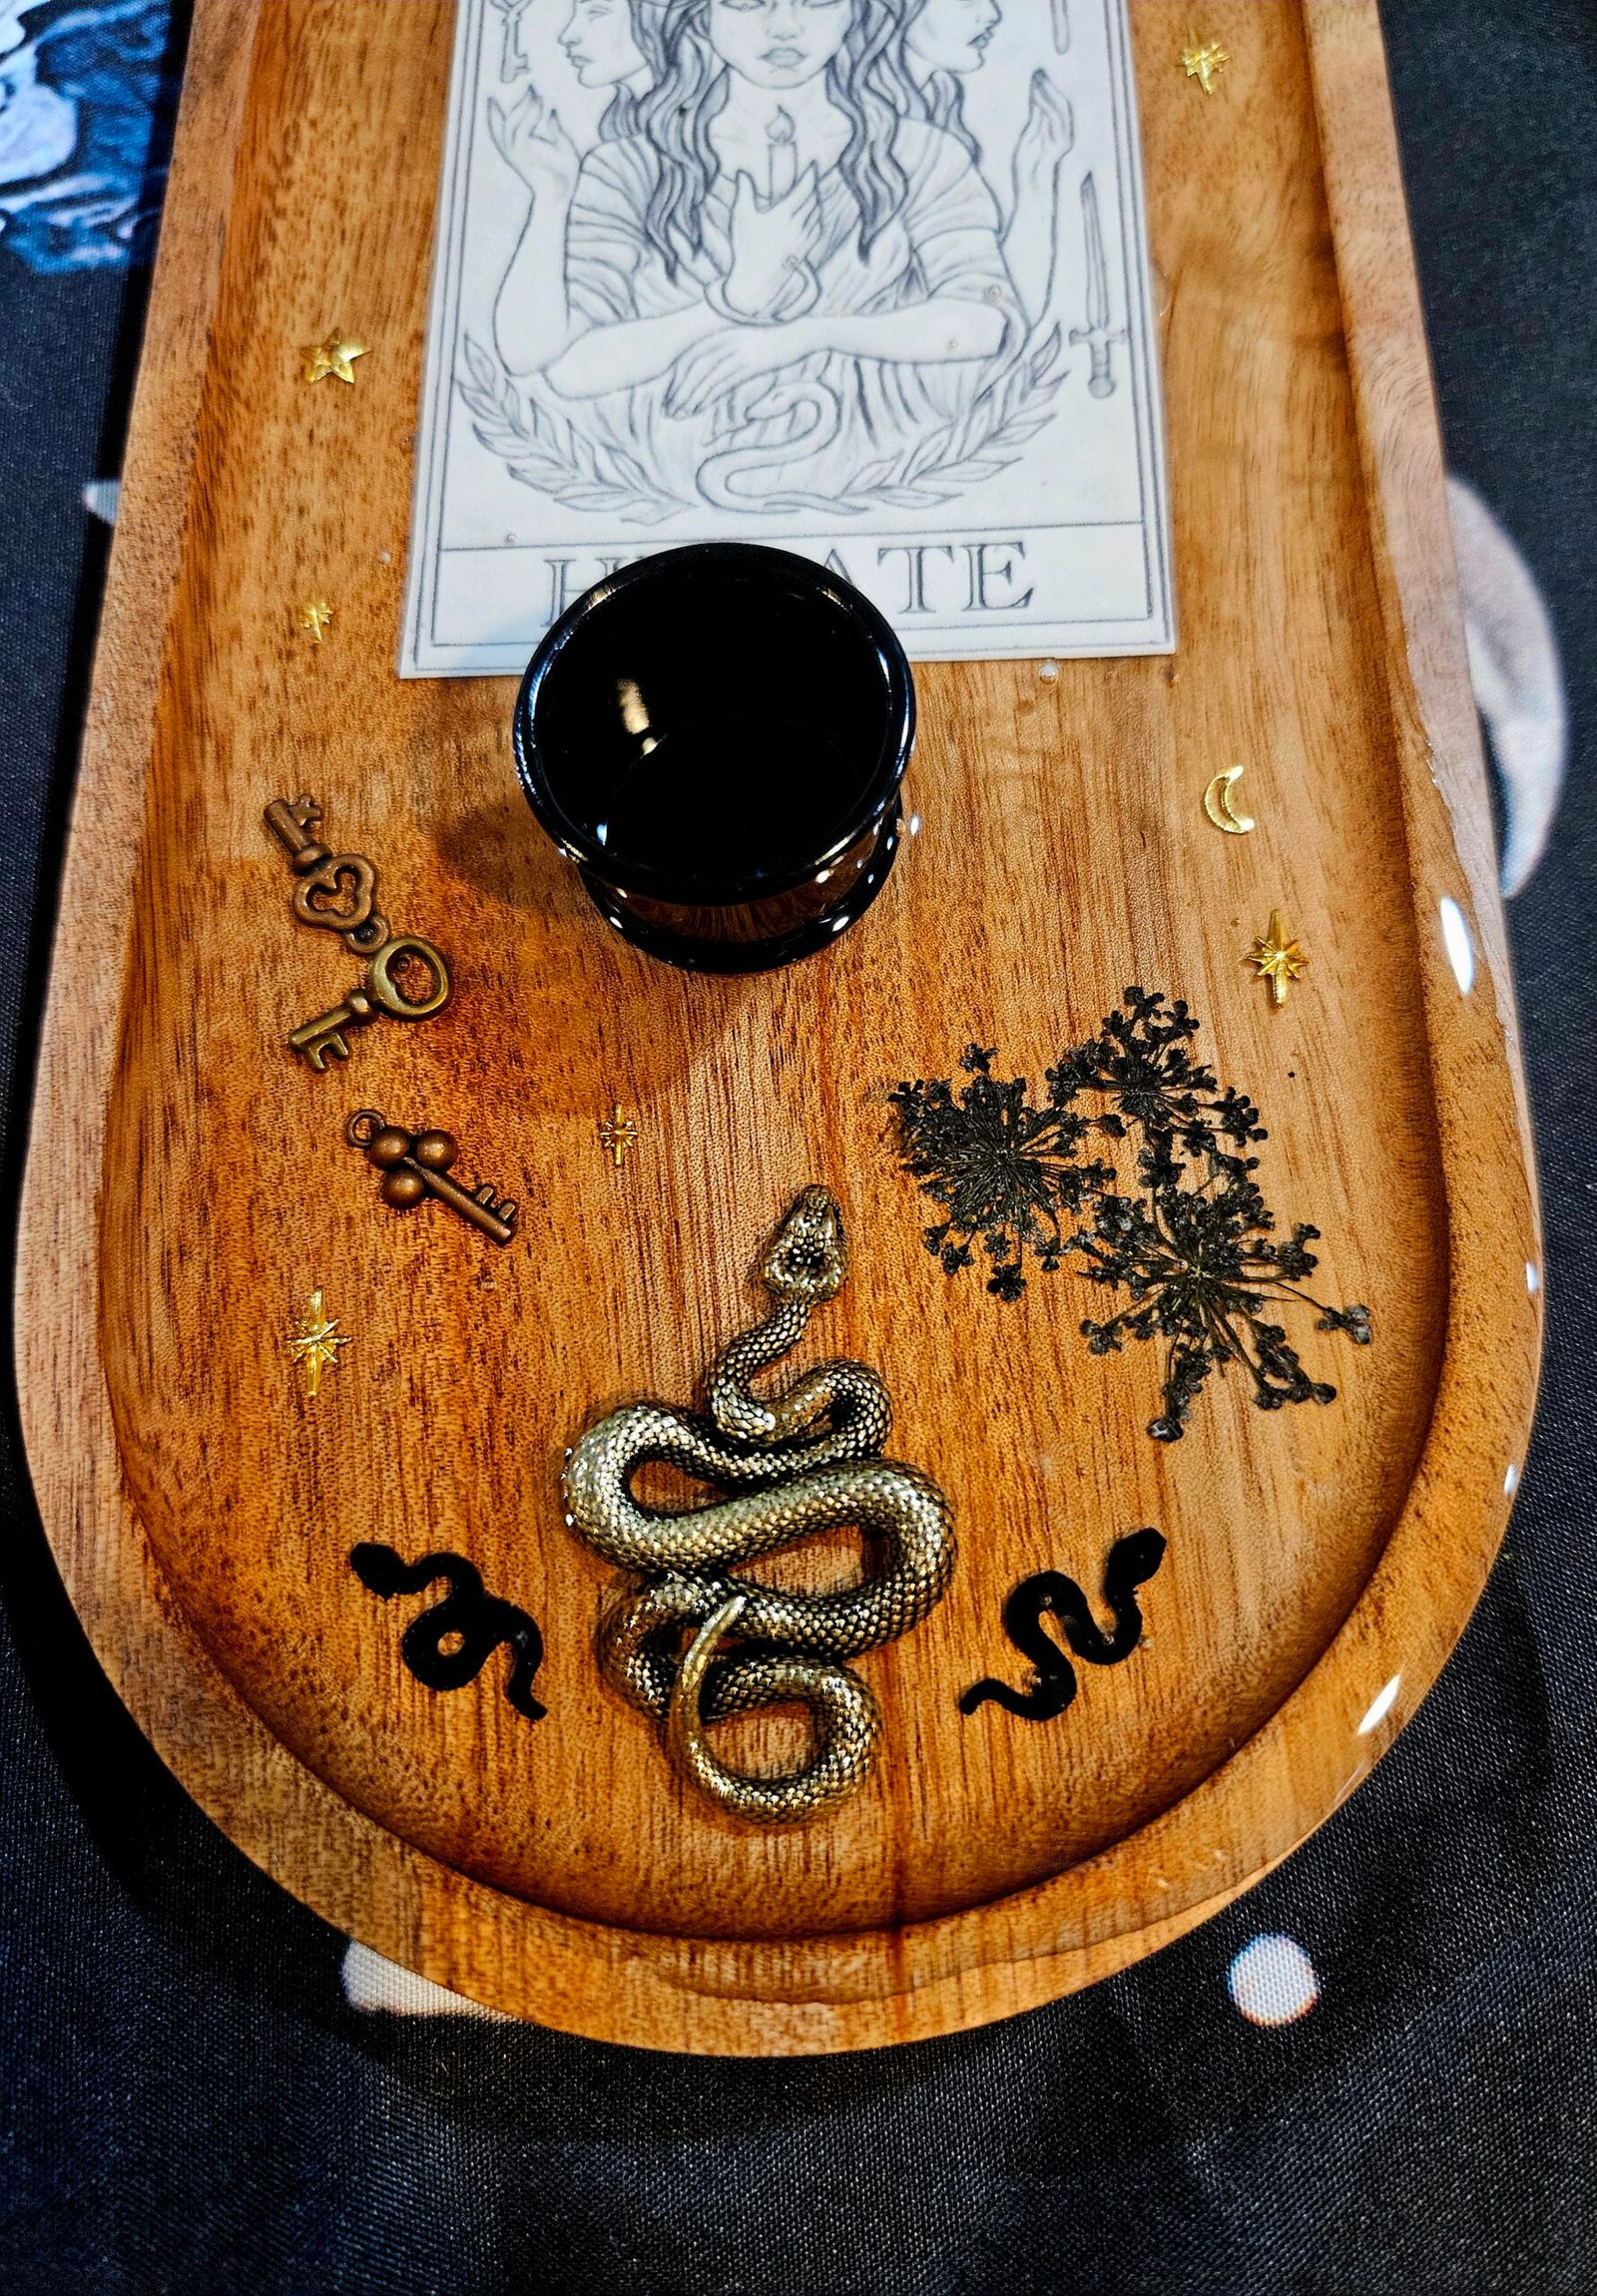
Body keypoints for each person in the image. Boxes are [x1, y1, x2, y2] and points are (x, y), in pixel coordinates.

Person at [536, 0, 1025, 509]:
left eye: (818, 0)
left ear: (857, 12)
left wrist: (802, 337)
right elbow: (570, 365)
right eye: (747, 2)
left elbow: (986, 321)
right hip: (674, 485)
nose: (785, 27)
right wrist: (733, 300)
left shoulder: (921, 155)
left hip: (878, 474)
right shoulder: (627, 167)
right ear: (700, 14)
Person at [491, 0, 653, 376]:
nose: (568, 35)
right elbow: (528, 350)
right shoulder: (622, 162)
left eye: (596, 12)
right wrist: (553, 197)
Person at [904, 0, 1072, 326]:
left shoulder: (936, 112)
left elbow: (1001, 316)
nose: (992, 13)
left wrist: (1036, 171)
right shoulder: (850, 133)